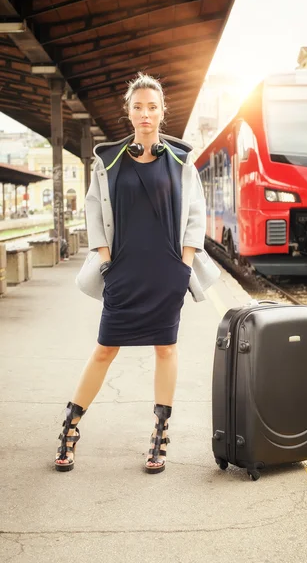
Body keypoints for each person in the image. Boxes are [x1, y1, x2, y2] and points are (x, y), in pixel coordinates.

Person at [55, 73, 220, 474]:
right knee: (105, 349)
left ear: (163, 112)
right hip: (123, 269)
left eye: (152, 106)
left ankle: (160, 436)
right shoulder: (108, 161)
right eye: (138, 106)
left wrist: (183, 265)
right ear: (128, 113)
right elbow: (94, 210)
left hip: (167, 270)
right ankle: (70, 429)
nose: (145, 113)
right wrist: (105, 258)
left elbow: (195, 214)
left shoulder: (181, 161)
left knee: (165, 349)